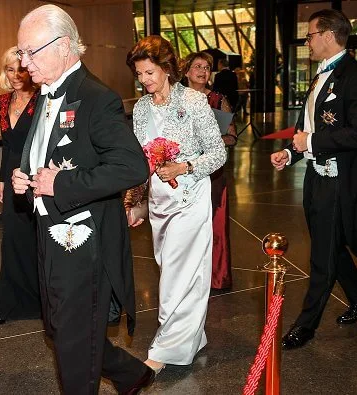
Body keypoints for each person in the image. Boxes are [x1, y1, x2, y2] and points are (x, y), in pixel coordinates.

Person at [11, 5, 153, 394]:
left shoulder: (95, 98)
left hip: (82, 240)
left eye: (30, 52)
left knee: (72, 340)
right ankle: (131, 374)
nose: (24, 63)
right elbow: (46, 155)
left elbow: (131, 167)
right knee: (60, 328)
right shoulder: (45, 94)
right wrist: (26, 177)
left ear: (63, 46)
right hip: (47, 231)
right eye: (21, 52)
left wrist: (63, 184)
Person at [270, 9, 357, 350]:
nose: (307, 41)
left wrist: (311, 143)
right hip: (317, 175)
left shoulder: (355, 76)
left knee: (322, 255)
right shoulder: (320, 75)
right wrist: (292, 153)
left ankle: (306, 325)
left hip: (338, 179)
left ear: (329, 35)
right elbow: (311, 129)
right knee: (327, 243)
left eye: (310, 35)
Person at [126, 36, 227, 374]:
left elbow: (218, 153)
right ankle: (191, 338)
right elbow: (141, 161)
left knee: (175, 275)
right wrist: (138, 201)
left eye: (150, 72)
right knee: (175, 270)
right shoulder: (141, 108)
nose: (145, 80)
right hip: (159, 200)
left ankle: (165, 349)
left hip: (191, 196)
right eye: (139, 74)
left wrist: (184, 166)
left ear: (167, 69)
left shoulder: (195, 102)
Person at [0, 47, 41, 326]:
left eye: (20, 68)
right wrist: (1, 180)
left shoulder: (43, 99)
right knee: (12, 241)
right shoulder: (3, 101)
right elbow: (7, 146)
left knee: (37, 239)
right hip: (11, 179)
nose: (16, 75)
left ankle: (43, 300)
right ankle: (10, 299)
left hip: (37, 178)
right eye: (9, 69)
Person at [183, 51, 236, 291]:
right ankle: (188, 275)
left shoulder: (218, 100)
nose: (204, 71)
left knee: (215, 224)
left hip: (213, 172)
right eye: (198, 66)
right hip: (183, 173)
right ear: (186, 71)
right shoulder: (177, 100)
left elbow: (232, 137)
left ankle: (216, 277)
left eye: (207, 67)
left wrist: (211, 140)